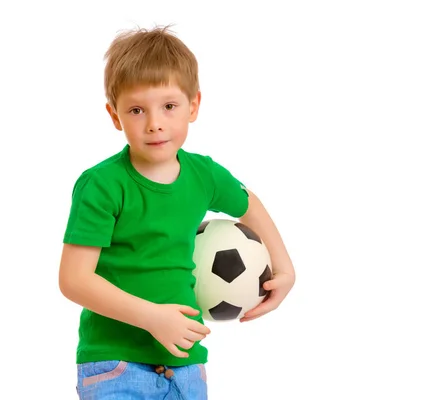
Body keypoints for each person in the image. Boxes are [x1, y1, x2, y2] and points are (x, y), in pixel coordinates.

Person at [58, 25, 296, 399]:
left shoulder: (203, 174)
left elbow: (250, 205)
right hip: (115, 364)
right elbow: (74, 280)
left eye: (169, 106)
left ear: (194, 105)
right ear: (114, 115)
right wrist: (151, 318)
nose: (154, 123)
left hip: (185, 366)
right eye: (136, 110)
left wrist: (284, 268)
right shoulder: (102, 185)